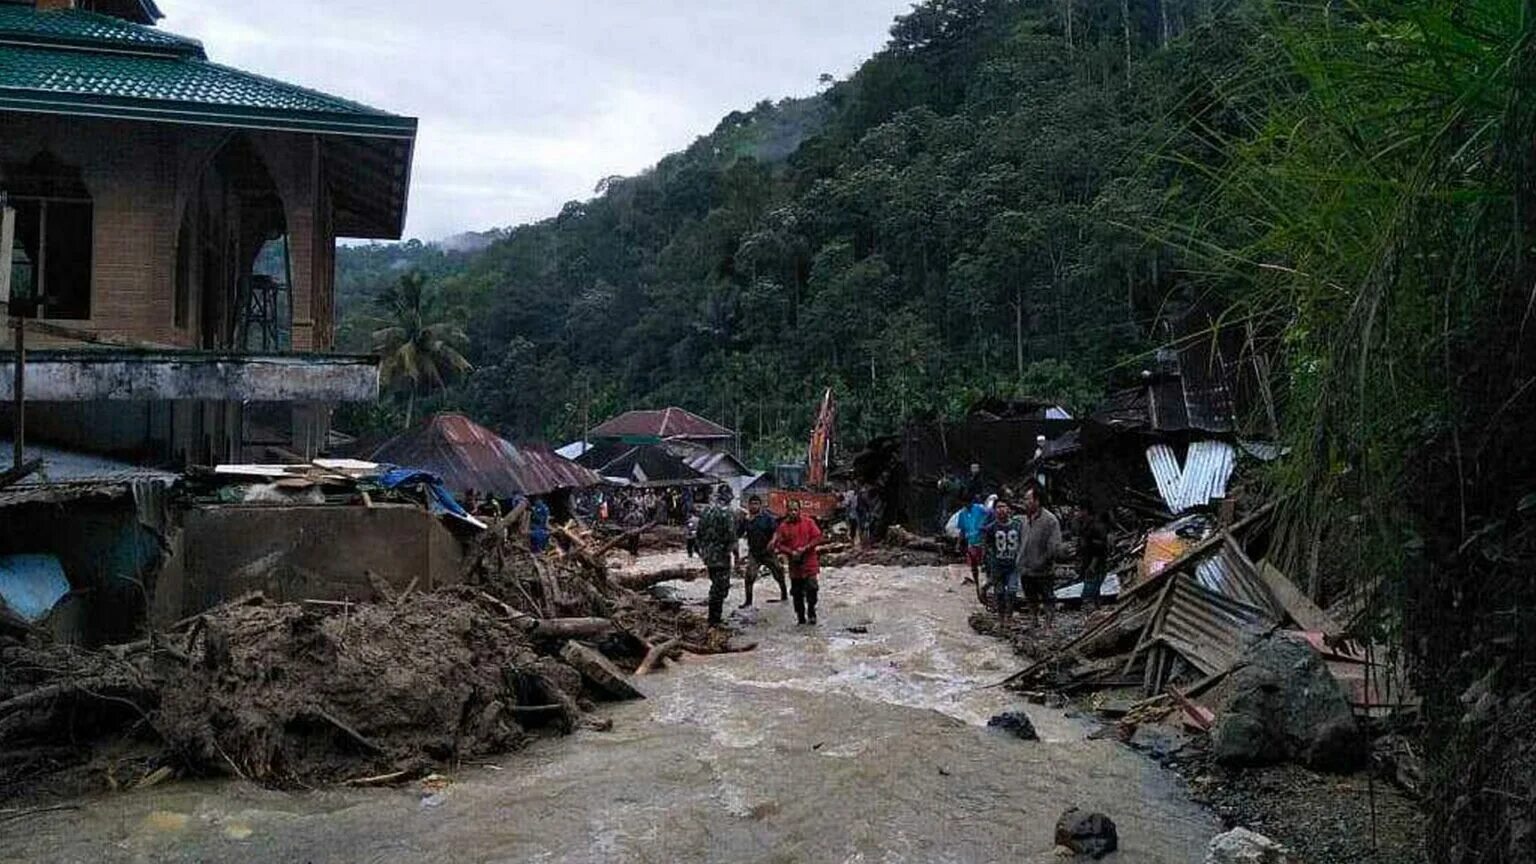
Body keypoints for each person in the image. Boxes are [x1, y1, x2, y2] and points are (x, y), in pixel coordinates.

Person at [1017, 485, 1066, 628]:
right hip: (1025, 567)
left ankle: (1048, 624)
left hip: (1043, 568)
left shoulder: (1050, 520)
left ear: (1037, 501)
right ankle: (1034, 620)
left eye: (1028, 499)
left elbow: (1054, 545)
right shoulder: (1025, 520)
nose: (1025, 502)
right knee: (1030, 597)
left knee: (1047, 597)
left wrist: (1043, 560)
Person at [772, 498, 824, 625]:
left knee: (812, 587)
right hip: (795, 565)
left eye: (795, 510)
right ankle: (800, 617)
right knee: (797, 593)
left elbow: (818, 537)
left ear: (799, 510)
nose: (793, 512)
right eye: (790, 510)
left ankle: (811, 610)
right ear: (787, 511)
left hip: (809, 561)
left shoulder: (809, 522)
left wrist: (805, 548)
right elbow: (779, 544)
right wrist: (791, 552)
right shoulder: (783, 526)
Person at [695, 486, 741, 627]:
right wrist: (736, 556)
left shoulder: (706, 511)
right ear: (728, 497)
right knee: (721, 587)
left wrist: (702, 552)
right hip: (721, 556)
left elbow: (698, 535)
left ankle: (713, 617)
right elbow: (732, 537)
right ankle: (714, 619)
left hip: (709, 556)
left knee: (715, 583)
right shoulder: (727, 513)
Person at [738, 494, 787, 607]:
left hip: (768, 551)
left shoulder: (767, 517)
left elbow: (776, 531)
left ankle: (784, 595)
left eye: (756, 504)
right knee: (749, 576)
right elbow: (739, 533)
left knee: (778, 573)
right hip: (754, 553)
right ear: (748, 505)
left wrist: (773, 541)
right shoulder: (746, 519)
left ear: (760, 505)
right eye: (752, 504)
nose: (754, 506)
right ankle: (748, 601)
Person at [984, 499, 1024, 624]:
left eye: (1003, 507)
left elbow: (1023, 542)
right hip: (998, 566)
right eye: (998, 507)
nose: (1001, 510)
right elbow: (987, 547)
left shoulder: (1018, 525)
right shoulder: (991, 528)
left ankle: (1009, 617)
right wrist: (988, 564)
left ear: (1009, 510)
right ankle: (1001, 617)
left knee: (1012, 591)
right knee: (1000, 593)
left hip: (1013, 564)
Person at [1076, 503, 1111, 608]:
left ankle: (1093, 610)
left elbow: (1099, 549)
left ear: (1085, 511)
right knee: (1094, 591)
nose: (1078, 513)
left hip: (1095, 564)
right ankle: (1096, 609)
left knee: (1090, 591)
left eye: (1080, 510)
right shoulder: (1085, 525)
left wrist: (1092, 566)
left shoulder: (1095, 527)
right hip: (1088, 562)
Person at [956, 494, 991, 589]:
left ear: (971, 502)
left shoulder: (980, 509)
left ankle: (988, 581)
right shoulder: (962, 513)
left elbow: (990, 515)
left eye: (968, 502)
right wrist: (958, 544)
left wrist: (986, 527)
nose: (966, 504)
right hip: (971, 541)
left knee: (986, 562)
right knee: (973, 564)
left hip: (983, 541)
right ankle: (977, 583)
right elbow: (962, 530)